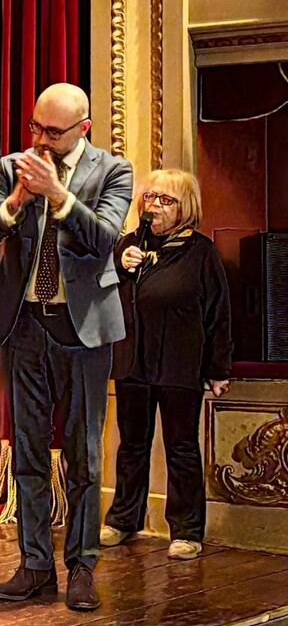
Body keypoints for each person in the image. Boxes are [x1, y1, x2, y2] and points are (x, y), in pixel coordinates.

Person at [0, 82, 132, 612]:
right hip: (27, 325)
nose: (41, 139)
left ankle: (82, 566)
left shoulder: (113, 171)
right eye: (35, 127)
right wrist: (16, 201)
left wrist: (60, 196)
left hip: (83, 329)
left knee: (84, 455)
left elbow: (104, 238)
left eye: (53, 132)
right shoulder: (12, 167)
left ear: (83, 128)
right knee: (29, 453)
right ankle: (35, 565)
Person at [101, 169, 231, 561]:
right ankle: (123, 520)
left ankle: (186, 531)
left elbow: (218, 314)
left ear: (184, 208)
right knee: (131, 446)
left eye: (165, 200)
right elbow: (98, 291)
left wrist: (218, 369)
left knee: (181, 448)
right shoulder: (128, 245)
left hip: (180, 364)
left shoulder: (201, 252)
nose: (153, 206)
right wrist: (118, 266)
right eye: (149, 197)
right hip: (133, 363)